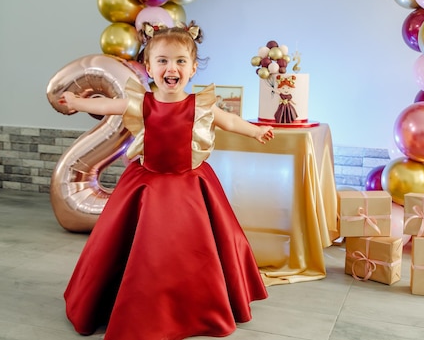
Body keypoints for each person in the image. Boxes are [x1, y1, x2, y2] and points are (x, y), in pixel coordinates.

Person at [58, 21, 274, 340]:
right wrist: (77, 104)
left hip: (192, 184)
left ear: (193, 68)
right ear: (148, 67)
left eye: (180, 61)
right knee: (140, 246)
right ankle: (133, 300)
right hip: (147, 184)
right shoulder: (141, 103)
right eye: (162, 61)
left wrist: (255, 130)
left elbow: (228, 120)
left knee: (197, 247)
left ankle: (199, 302)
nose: (171, 68)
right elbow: (107, 106)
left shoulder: (200, 105)